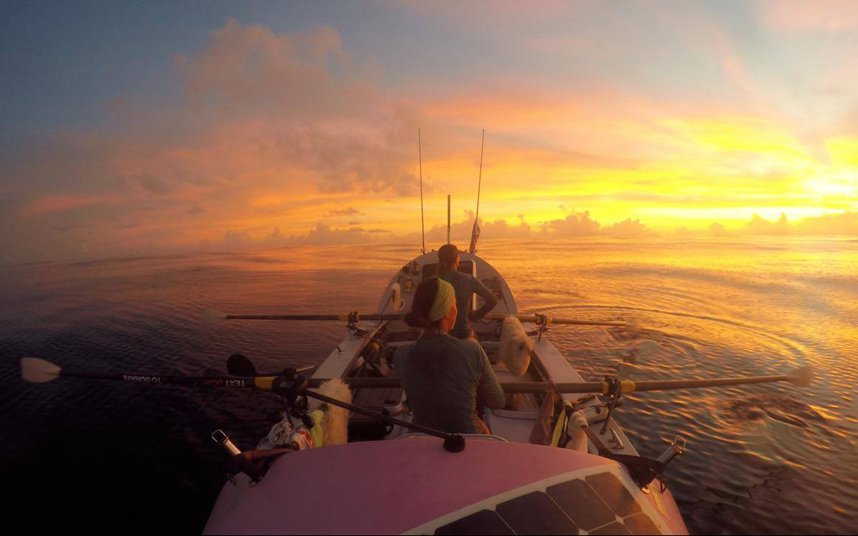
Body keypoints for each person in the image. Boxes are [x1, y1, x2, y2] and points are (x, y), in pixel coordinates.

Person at [395, 277, 505, 434]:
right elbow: (497, 401)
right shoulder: (472, 350)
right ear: (446, 312)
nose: (456, 309)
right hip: (467, 440)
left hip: (422, 439)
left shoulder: (401, 355)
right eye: (454, 304)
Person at [436, 243, 499, 339]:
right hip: (463, 334)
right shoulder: (469, 280)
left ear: (439, 260)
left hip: (438, 335)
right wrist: (476, 315)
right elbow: (493, 300)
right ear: (457, 259)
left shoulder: (430, 282)